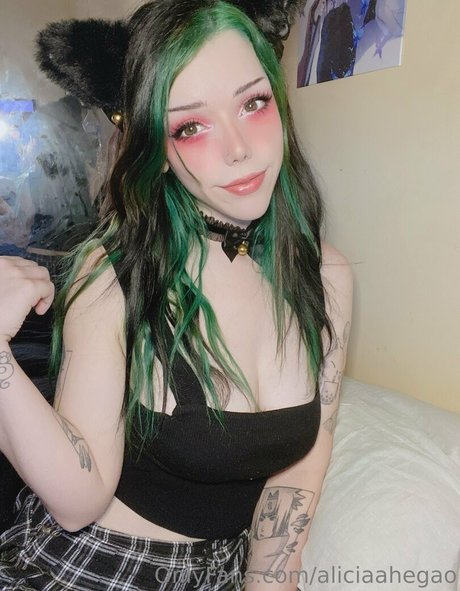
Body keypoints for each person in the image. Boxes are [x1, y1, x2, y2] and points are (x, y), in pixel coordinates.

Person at [0, 1, 352, 589]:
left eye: (252, 103)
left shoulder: (327, 276)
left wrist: (269, 581)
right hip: (98, 567)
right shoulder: (114, 271)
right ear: (154, 148)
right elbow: (78, 501)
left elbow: (300, 470)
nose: (238, 148)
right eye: (190, 126)